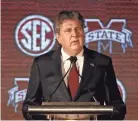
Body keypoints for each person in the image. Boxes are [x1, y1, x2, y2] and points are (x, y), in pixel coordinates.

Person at [22, 10, 126, 120]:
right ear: (58, 37)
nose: (74, 34)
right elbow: (28, 107)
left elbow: (117, 106)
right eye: (68, 30)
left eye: (78, 29)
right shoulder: (42, 64)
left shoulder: (102, 63)